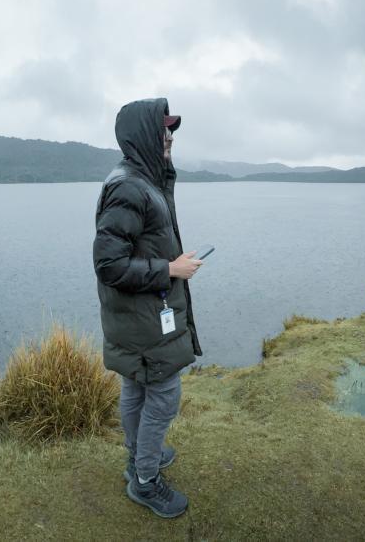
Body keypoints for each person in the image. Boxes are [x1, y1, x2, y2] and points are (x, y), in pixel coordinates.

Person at [93, 98, 204, 519]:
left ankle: (139, 456)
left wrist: (170, 263)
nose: (170, 137)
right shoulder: (128, 187)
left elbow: (139, 244)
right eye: (164, 132)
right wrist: (170, 268)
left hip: (139, 319)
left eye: (173, 131)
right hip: (143, 321)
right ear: (144, 136)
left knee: (137, 388)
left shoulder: (144, 179)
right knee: (162, 397)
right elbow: (108, 264)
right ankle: (145, 480)